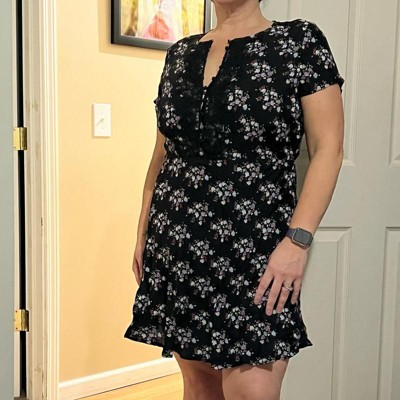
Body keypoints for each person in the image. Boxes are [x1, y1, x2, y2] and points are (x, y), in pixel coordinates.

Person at [124, 0, 345, 398]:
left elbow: (328, 149)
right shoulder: (180, 54)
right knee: (199, 387)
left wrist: (298, 241)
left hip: (256, 252)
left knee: (252, 390)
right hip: (178, 245)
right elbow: (163, 152)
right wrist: (143, 230)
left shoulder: (299, 41)